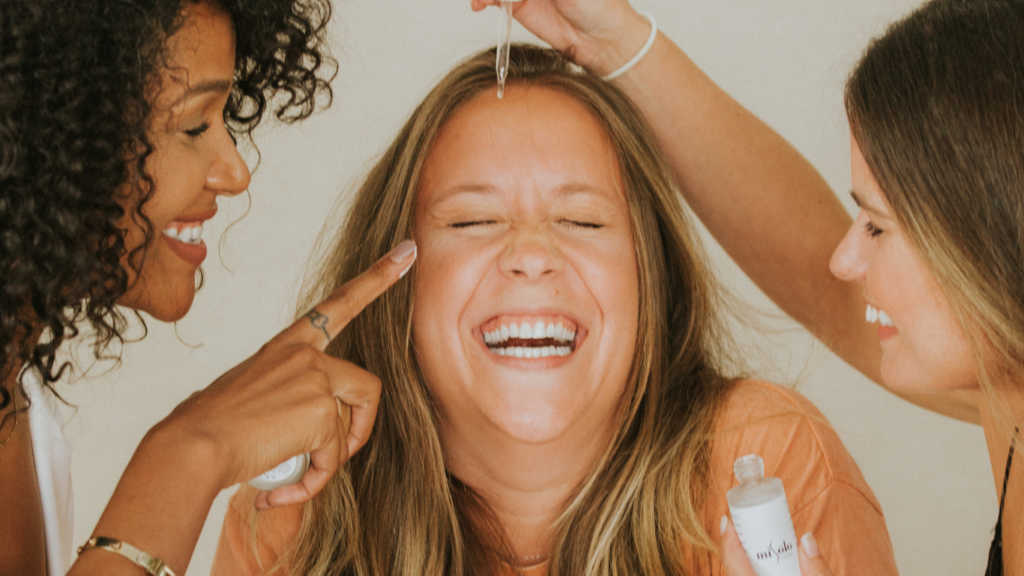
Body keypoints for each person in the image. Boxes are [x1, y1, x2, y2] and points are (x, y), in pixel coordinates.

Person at [212, 44, 897, 576]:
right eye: (473, 221)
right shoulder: (295, 509)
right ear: (393, 284)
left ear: (650, 276)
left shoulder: (767, 462)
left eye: (583, 221)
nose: (531, 254)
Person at [468, 0, 1024, 573]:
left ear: (990, 239)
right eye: (472, 221)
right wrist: (616, 45)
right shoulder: (1010, 402)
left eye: (877, 226)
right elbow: (819, 280)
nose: (844, 258)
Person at [0, 1, 416, 575]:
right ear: (54, 126)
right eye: (195, 125)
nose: (234, 171)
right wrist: (189, 452)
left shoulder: (23, 406)